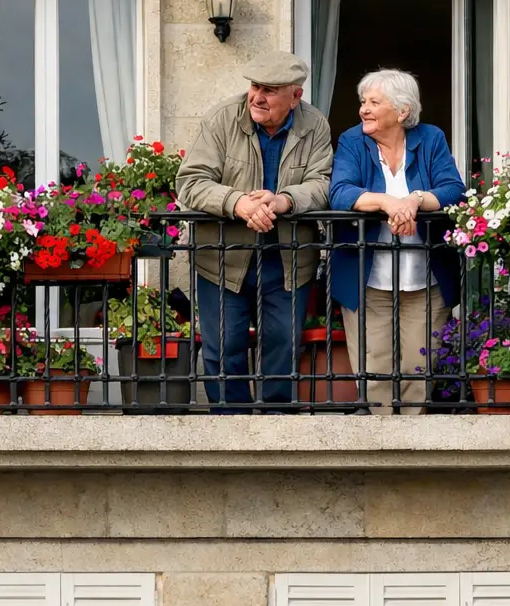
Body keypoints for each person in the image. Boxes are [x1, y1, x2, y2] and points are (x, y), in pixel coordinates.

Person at [175, 51, 332, 409]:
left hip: (288, 259)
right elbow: (190, 182)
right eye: (255, 86)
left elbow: (323, 184)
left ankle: (275, 426)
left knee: (283, 347)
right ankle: (231, 427)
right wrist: (237, 203)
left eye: (270, 90)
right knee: (223, 349)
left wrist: (285, 200)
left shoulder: (315, 125)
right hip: (222, 258)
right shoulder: (222, 118)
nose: (257, 97)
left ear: (295, 96)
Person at [329, 69, 465, 414]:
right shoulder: (352, 141)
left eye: (374, 102)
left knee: (419, 370)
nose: (364, 109)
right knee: (374, 370)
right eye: (363, 101)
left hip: (425, 281)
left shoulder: (430, 138)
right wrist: (388, 202)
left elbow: (453, 190)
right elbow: (340, 192)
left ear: (403, 111)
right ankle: (381, 438)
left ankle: (412, 439)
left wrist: (414, 200)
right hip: (367, 281)